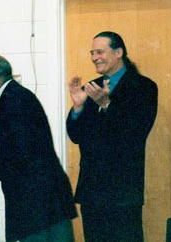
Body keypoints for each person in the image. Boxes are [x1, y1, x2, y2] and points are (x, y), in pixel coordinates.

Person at [0, 54, 77, 242]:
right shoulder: (15, 97)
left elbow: (21, 155)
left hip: (37, 207)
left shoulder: (14, 101)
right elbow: (15, 151)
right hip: (44, 205)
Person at [66, 31, 158, 242]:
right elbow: (76, 136)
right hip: (92, 191)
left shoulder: (143, 87)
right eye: (92, 52)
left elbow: (135, 133)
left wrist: (107, 105)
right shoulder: (92, 87)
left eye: (100, 52)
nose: (94, 57)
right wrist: (78, 108)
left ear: (118, 52)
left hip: (122, 191)